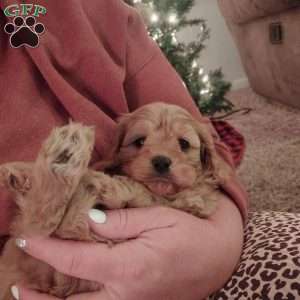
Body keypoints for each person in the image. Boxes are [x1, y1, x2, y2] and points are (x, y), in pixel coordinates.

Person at [0, 0, 248, 299]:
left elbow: (213, 155)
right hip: (27, 262)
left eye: (182, 145)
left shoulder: (99, 13)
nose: (160, 156)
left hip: (181, 257)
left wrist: (217, 245)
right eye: (140, 142)